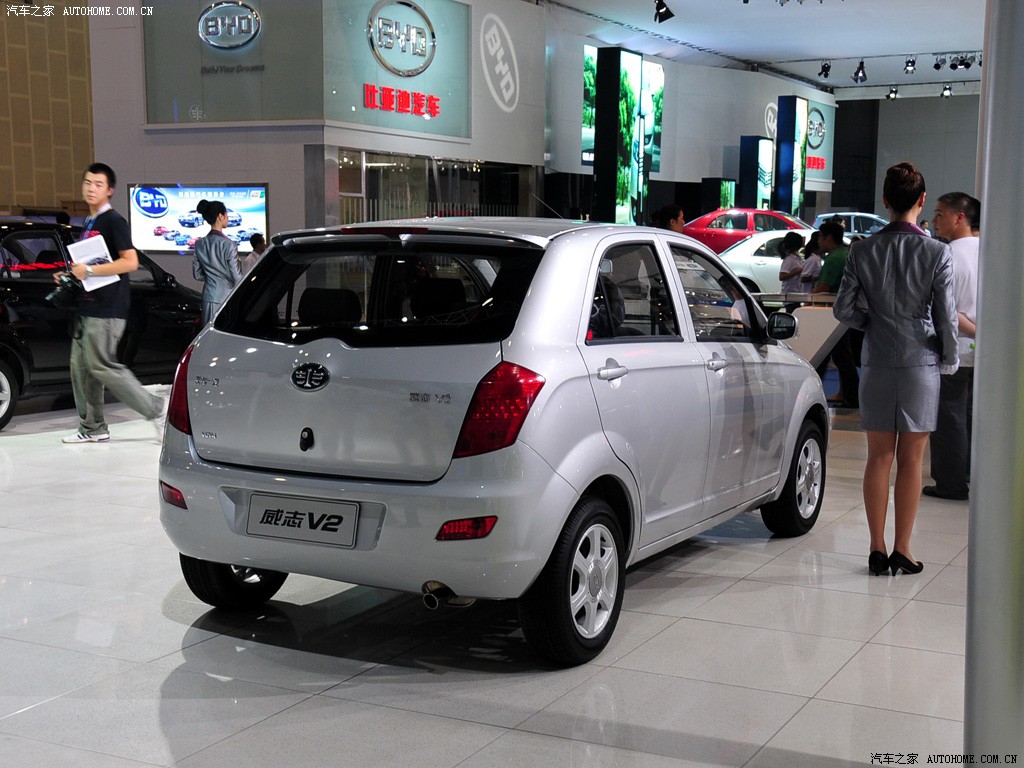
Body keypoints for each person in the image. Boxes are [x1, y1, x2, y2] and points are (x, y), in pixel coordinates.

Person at [833, 161, 958, 577]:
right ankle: (903, 549)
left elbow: (843, 309)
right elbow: (945, 317)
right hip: (921, 362)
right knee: (911, 460)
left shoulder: (861, 250)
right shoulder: (938, 252)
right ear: (922, 200)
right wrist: (949, 356)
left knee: (878, 457)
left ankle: (876, 547)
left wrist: (872, 323)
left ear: (885, 200)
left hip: (877, 360)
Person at [58, 163, 166, 443]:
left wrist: (89, 270)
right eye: (87, 183)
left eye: (98, 184)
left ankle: (156, 409)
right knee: (81, 370)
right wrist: (72, 274)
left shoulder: (113, 221)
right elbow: (93, 262)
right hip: (87, 306)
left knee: (102, 365)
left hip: (108, 309)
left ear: (110, 190)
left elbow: (130, 262)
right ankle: (93, 428)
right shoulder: (90, 222)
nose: (91, 188)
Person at [924, 192, 979, 500]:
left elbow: (946, 309)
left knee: (948, 418)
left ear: (960, 217)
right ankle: (970, 472)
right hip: (985, 352)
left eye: (940, 213)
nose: (935, 220)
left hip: (955, 348)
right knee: (972, 416)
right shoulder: (990, 251)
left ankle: (950, 483)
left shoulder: (946, 255)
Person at [813, 219, 860, 407]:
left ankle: (850, 395)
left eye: (820, 237)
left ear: (829, 238)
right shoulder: (845, 254)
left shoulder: (834, 258)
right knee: (840, 355)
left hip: (831, 313)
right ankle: (847, 393)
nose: (818, 241)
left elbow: (824, 287)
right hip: (843, 311)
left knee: (833, 354)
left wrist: (810, 296)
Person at [192, 199, 243, 324]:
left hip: (208, 296)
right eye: (226, 215)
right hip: (226, 297)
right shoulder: (229, 245)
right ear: (220, 216)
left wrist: (212, 278)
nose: (228, 218)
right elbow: (237, 278)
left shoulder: (199, 244)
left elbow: (197, 274)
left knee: (207, 332)